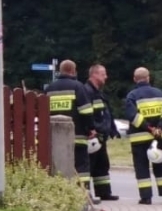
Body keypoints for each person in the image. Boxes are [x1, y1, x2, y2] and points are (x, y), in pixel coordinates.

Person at [125, 67, 162, 205]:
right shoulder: (160, 93)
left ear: (135, 79)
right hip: (159, 137)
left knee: (142, 168)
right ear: (148, 78)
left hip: (139, 139)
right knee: (161, 166)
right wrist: (160, 127)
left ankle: (146, 198)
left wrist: (149, 128)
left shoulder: (132, 96)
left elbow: (133, 116)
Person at [45, 59, 96, 193]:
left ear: (60, 71)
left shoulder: (50, 89)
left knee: (58, 167)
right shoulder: (78, 87)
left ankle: (61, 194)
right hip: (77, 136)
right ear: (73, 71)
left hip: (55, 139)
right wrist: (90, 129)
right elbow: (86, 111)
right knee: (82, 167)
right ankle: (83, 195)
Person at [85, 63, 120, 200]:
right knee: (89, 166)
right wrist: (91, 130)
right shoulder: (87, 91)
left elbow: (106, 113)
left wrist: (112, 129)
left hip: (102, 136)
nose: (106, 76)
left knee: (102, 165)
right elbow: (87, 114)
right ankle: (85, 195)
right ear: (94, 74)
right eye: (103, 74)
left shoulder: (99, 93)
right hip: (93, 136)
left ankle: (104, 193)